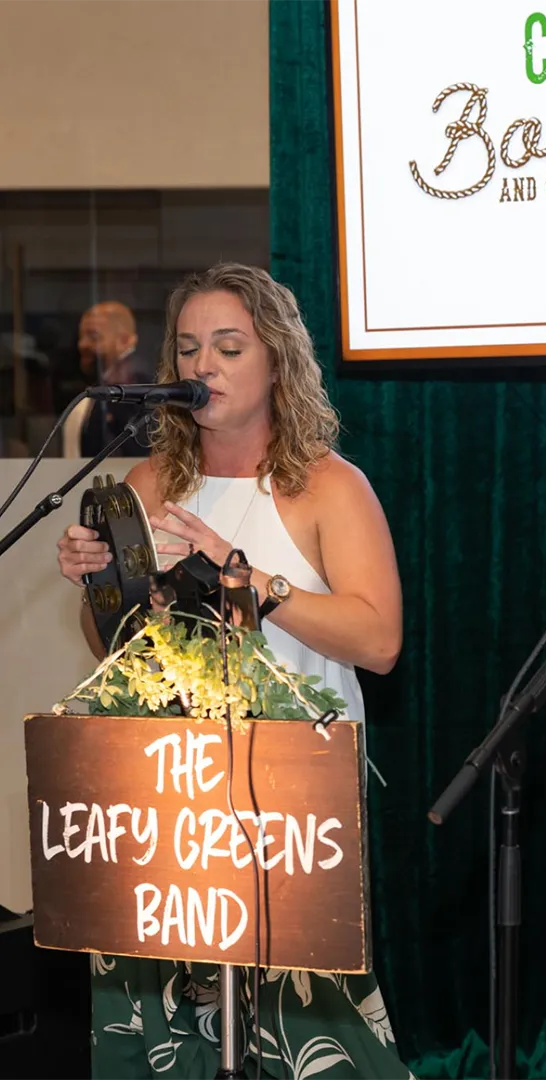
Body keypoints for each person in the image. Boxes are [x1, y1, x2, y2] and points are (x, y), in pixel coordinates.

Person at [56, 264, 413, 1079]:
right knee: (173, 1032)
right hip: (171, 796)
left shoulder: (328, 487)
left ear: (277, 361)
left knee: (305, 1033)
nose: (202, 368)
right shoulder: (147, 484)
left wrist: (251, 581)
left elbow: (381, 640)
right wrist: (98, 582)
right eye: (187, 350)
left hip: (290, 801)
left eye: (227, 347)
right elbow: (116, 648)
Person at [61, 300, 155, 458]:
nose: (82, 344)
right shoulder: (103, 385)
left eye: (94, 336)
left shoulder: (133, 389)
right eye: (81, 337)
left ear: (125, 341)